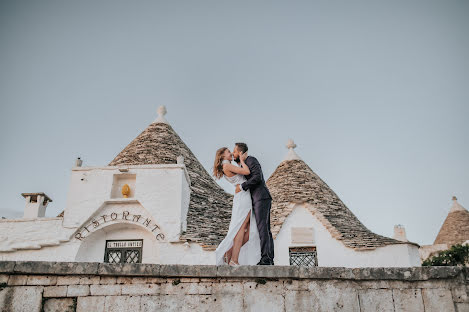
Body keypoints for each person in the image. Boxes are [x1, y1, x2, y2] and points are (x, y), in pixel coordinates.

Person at [213, 147, 261, 265]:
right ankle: (234, 259)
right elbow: (246, 172)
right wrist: (242, 161)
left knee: (250, 228)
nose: (230, 154)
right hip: (242, 196)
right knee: (241, 227)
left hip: (244, 195)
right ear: (223, 156)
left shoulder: (227, 165)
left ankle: (229, 252)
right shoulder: (226, 165)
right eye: (228, 152)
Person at [233, 142, 274, 265]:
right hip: (257, 199)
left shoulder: (251, 160)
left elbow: (257, 177)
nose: (233, 154)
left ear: (240, 153)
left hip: (261, 197)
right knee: (265, 229)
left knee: (263, 228)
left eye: (234, 151)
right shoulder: (244, 164)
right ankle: (269, 258)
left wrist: (242, 186)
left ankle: (266, 259)